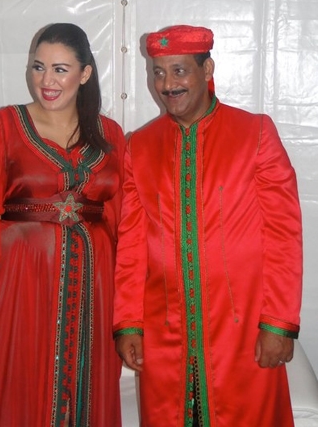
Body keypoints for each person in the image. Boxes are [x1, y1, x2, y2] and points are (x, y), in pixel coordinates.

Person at [113, 25, 302, 427]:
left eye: (179, 71)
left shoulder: (255, 133)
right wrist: (128, 323)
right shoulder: (139, 146)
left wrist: (279, 324)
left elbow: (284, 235)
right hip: (166, 333)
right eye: (158, 72)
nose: (167, 84)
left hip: (242, 331)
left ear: (208, 69)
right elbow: (131, 244)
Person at [0, 22, 125, 427]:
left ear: (85, 73)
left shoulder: (110, 135)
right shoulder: (4, 126)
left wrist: (129, 311)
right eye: (38, 67)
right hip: (17, 287)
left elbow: (123, 222)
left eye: (60, 69)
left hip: (93, 293)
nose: (46, 81)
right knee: (14, 389)